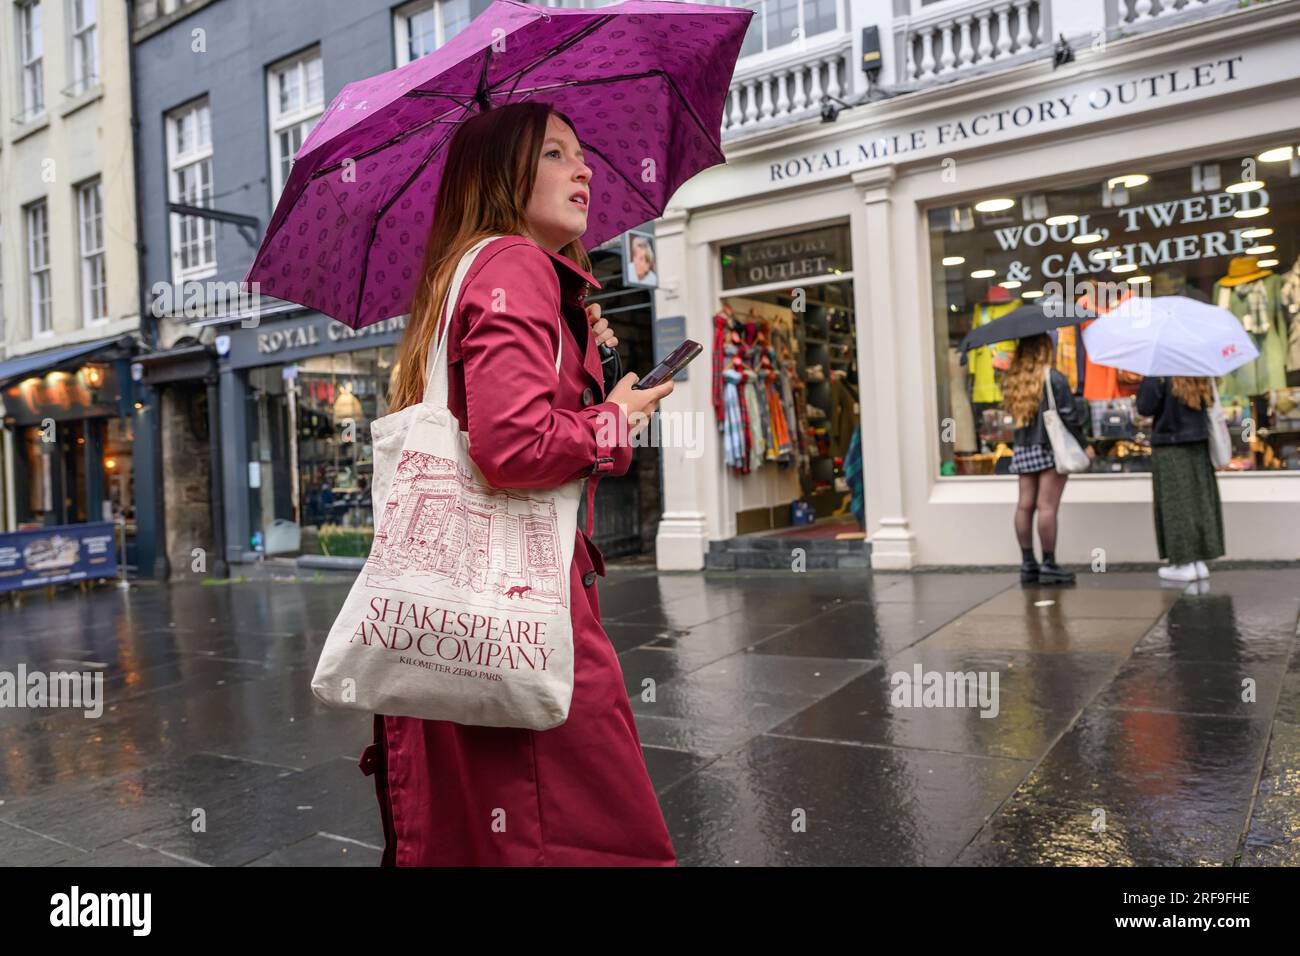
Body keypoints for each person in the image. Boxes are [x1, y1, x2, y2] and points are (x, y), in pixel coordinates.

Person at [369, 102, 677, 866]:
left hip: (461, 604)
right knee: (583, 829)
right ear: (502, 174)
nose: (584, 169)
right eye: (554, 154)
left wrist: (589, 362)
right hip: (523, 604)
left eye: (581, 153)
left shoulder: (466, 273)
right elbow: (513, 446)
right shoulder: (513, 265)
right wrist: (611, 418)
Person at [1002, 332, 1092, 585]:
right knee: (1047, 507)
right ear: (1045, 348)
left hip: (1023, 448)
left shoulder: (1014, 379)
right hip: (1051, 448)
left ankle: (1028, 564)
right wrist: (1085, 445)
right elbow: (1068, 416)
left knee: (1024, 505)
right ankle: (1049, 565)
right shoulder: (1054, 378)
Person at [1135, 375, 1224, 582]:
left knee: (1175, 504)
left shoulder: (1159, 370)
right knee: (1198, 501)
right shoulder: (1197, 368)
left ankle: (1183, 562)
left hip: (1170, 444)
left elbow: (1145, 407)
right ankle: (1199, 559)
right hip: (1199, 443)